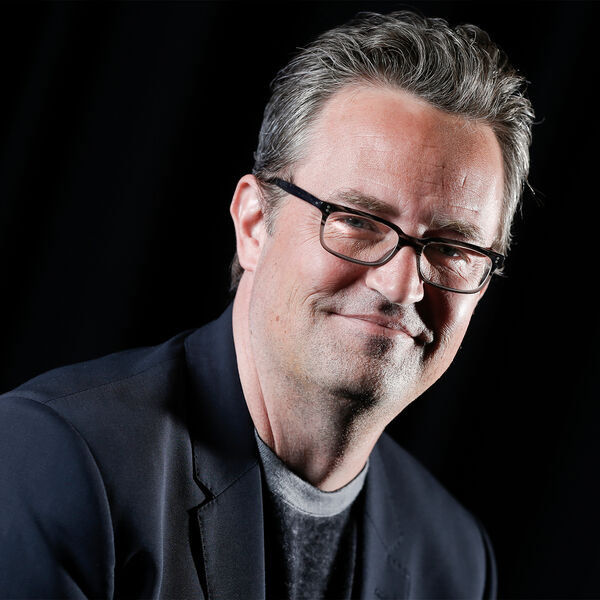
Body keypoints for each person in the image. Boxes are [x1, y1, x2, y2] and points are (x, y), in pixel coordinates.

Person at [0, 10, 533, 600]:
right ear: (254, 224)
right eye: (358, 221)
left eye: (454, 248)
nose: (402, 286)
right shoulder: (54, 459)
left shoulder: (458, 561)